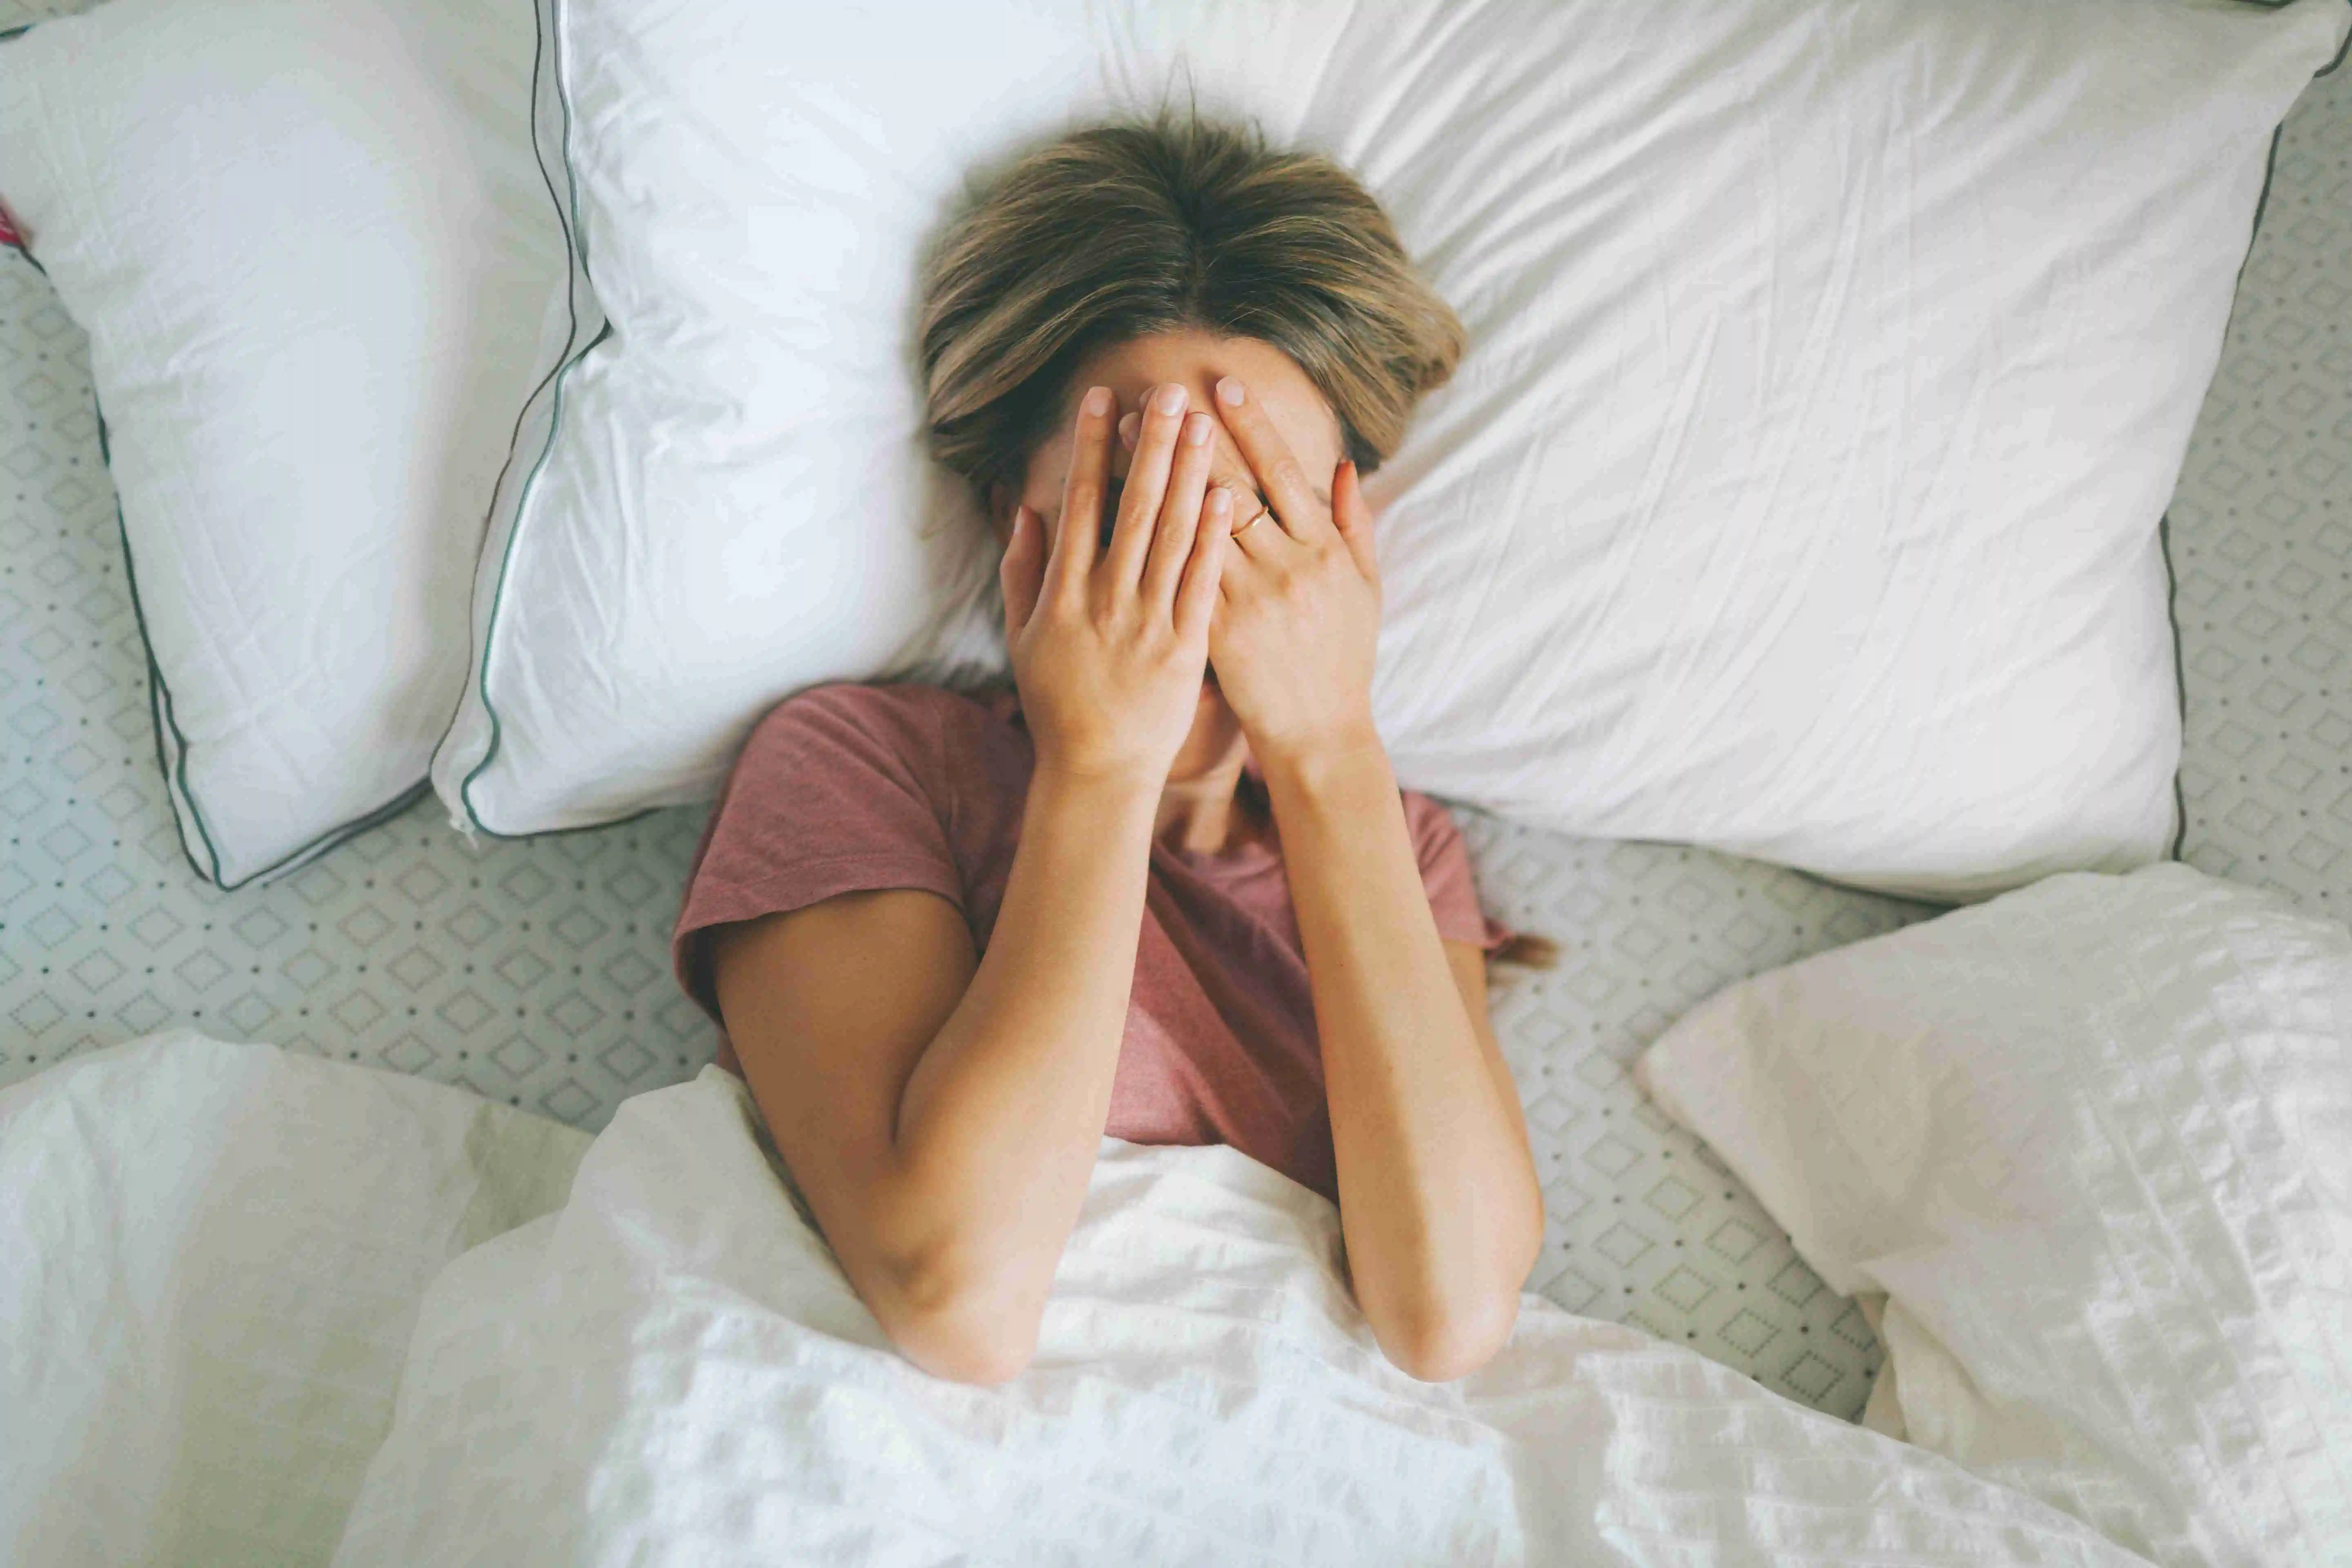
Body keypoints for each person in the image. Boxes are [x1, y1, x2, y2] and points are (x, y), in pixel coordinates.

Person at [671, 110, 1546, 1388]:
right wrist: (1099, 766)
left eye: (1257, 508)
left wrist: (1329, 753)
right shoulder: (865, 762)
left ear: (1350, 537)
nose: (1193, 567)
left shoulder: (1397, 843)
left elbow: (1450, 1316)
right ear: (1008, 515)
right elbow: (956, 1299)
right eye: (1136, 503)